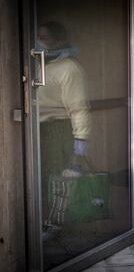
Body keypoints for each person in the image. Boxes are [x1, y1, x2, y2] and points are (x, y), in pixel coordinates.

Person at [37, 21, 91, 238]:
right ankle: (40, 221)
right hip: (35, 127)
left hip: (58, 128)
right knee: (39, 177)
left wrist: (81, 141)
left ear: (58, 41)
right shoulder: (38, 64)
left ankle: (54, 223)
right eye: (38, 36)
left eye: (44, 38)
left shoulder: (69, 68)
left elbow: (79, 108)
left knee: (58, 177)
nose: (39, 42)